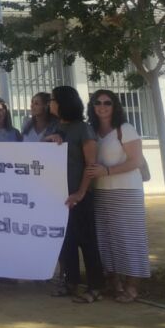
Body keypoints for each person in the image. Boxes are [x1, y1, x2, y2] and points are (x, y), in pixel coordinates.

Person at [86, 90, 148, 303]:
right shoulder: (92, 131)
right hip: (101, 192)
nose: (102, 106)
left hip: (126, 191)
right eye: (97, 102)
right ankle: (115, 284)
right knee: (106, 240)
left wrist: (107, 171)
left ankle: (132, 287)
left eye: (107, 102)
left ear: (115, 106)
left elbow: (136, 161)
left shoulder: (125, 129)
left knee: (129, 239)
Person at [48, 86, 103, 303]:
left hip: (79, 196)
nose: (50, 103)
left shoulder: (83, 129)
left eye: (53, 99)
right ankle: (71, 282)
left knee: (87, 242)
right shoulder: (55, 127)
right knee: (66, 241)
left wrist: (80, 192)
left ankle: (95, 286)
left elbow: (91, 165)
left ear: (64, 103)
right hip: (59, 196)